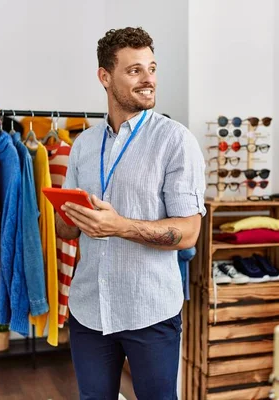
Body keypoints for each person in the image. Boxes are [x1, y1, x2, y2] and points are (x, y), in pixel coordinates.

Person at [57, 27, 206, 399]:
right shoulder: (83, 145)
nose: (148, 80)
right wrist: (66, 215)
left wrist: (119, 226)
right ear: (105, 77)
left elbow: (188, 232)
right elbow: (66, 232)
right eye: (135, 70)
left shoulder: (175, 141)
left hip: (150, 312)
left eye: (152, 69)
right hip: (89, 311)